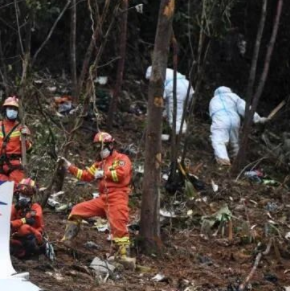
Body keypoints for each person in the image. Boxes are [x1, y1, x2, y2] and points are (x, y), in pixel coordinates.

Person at [62, 132, 135, 265]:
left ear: (111, 145)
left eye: (100, 147)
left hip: (118, 197)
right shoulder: (100, 163)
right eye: (96, 148)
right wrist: (70, 167)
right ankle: (67, 241)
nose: (99, 151)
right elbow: (86, 175)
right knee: (77, 210)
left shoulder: (122, 158)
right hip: (103, 198)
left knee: (119, 227)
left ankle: (122, 256)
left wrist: (104, 174)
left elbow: (122, 173)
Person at [209, 86, 269, 166]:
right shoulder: (234, 96)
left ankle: (224, 163)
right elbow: (245, 108)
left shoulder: (213, 100)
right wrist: (258, 119)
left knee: (219, 140)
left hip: (220, 119)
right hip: (234, 119)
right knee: (235, 142)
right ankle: (237, 162)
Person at [0, 96, 32, 183]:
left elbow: (29, 149)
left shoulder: (22, 128)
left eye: (15, 109)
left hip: (15, 166)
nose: (12, 111)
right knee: (0, 190)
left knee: (19, 189)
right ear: (5, 110)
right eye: (10, 108)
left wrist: (25, 138)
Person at [145, 67, 194, 136]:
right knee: (181, 112)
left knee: (175, 115)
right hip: (187, 85)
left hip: (177, 88)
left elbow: (159, 98)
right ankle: (182, 131)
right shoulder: (166, 71)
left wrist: (151, 112)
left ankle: (179, 135)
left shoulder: (156, 75)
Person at [10, 178, 45, 259]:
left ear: (31, 197)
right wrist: (16, 209)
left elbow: (31, 222)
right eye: (22, 194)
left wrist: (23, 221)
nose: (24, 198)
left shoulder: (35, 208)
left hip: (32, 235)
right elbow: (9, 223)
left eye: (27, 196)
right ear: (18, 194)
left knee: (24, 228)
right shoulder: (13, 207)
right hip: (15, 235)